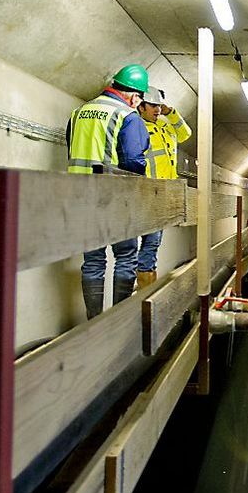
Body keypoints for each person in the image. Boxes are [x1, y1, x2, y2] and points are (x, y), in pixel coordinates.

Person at [66, 64, 151, 319]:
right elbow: (133, 162)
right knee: (125, 256)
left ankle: (94, 321)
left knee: (92, 260)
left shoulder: (78, 112)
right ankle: (119, 319)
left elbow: (71, 150)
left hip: (81, 197)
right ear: (134, 96)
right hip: (115, 199)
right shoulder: (127, 115)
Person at [135, 85, 192, 289]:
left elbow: (185, 134)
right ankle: (144, 291)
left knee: (153, 243)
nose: (157, 109)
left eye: (159, 105)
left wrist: (171, 113)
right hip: (145, 190)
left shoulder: (166, 126)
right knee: (145, 244)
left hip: (164, 192)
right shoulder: (136, 126)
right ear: (141, 106)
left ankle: (146, 289)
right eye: (152, 105)